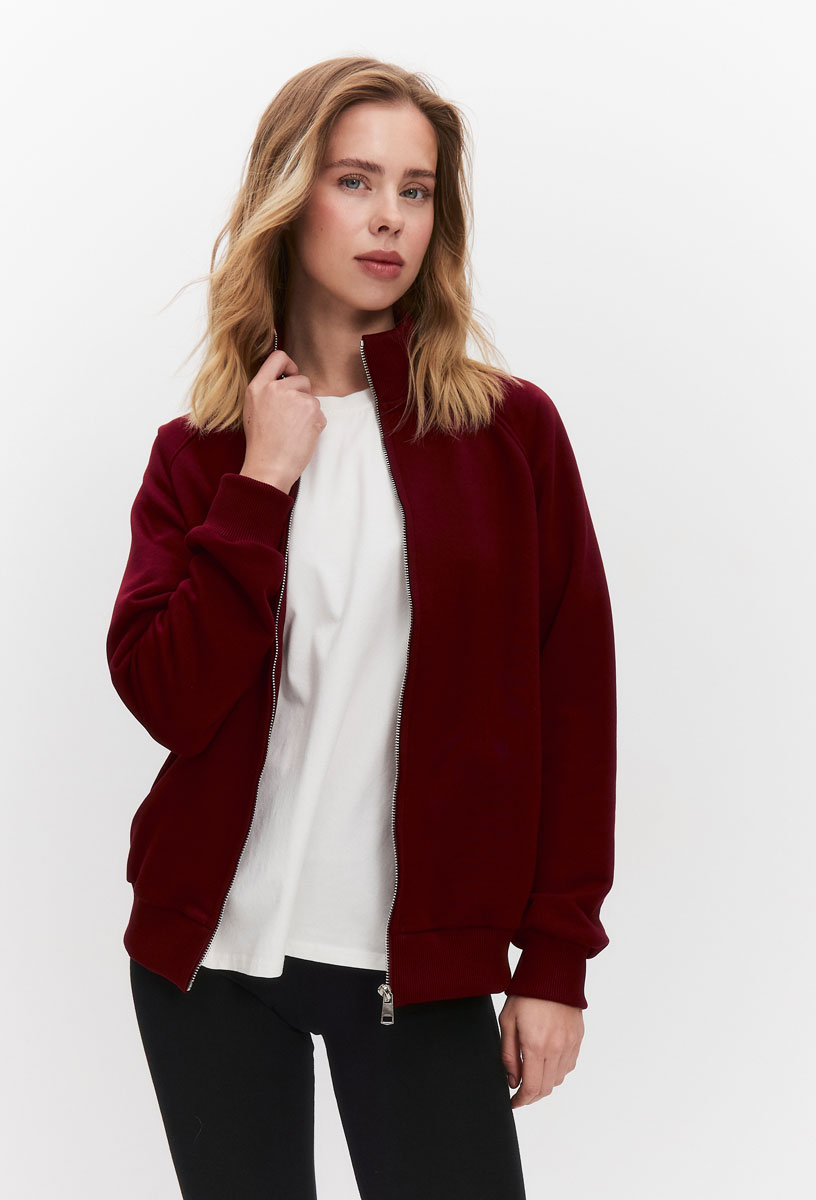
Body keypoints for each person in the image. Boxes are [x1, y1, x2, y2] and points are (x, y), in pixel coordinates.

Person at [107, 56, 617, 1200]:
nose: (390, 217)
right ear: (288, 202)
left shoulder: (508, 438)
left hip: (416, 963)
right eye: (355, 180)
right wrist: (261, 483)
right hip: (208, 963)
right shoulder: (201, 454)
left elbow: (576, 706)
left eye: (416, 189)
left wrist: (555, 962)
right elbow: (167, 696)